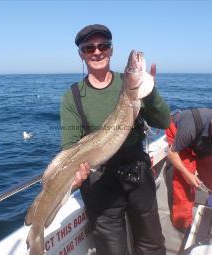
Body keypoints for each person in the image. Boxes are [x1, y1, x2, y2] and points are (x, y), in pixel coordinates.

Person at [60, 24, 170, 255]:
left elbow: (163, 122)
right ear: (81, 54)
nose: (97, 52)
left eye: (104, 46)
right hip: (100, 181)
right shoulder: (72, 97)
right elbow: (70, 146)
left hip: (137, 172)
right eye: (89, 48)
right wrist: (75, 174)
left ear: (111, 50)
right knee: (112, 249)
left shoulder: (129, 83)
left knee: (151, 243)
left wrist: (148, 93)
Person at [165, 108, 212, 231]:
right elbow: (171, 153)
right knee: (184, 182)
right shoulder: (189, 128)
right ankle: (182, 223)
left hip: (201, 143)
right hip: (179, 133)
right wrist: (188, 175)